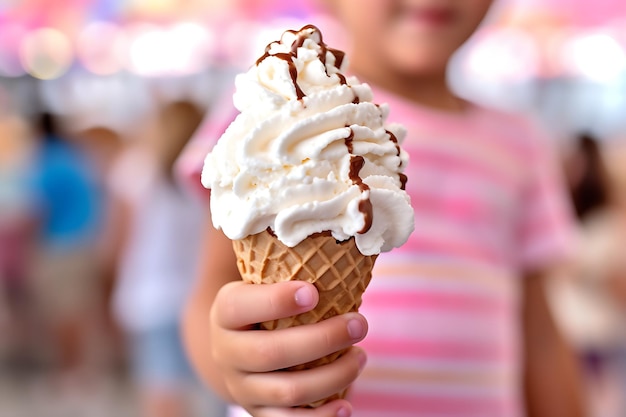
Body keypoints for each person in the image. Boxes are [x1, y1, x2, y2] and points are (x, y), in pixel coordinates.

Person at [181, 2, 587, 417]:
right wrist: (236, 372)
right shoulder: (273, 110)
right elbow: (212, 288)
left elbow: (540, 336)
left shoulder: (521, 143)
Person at [108, 100, 226, 417]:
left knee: (162, 394)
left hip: (150, 296)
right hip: (203, 295)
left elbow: (121, 237)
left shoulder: (135, 170)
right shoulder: (214, 172)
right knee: (216, 390)